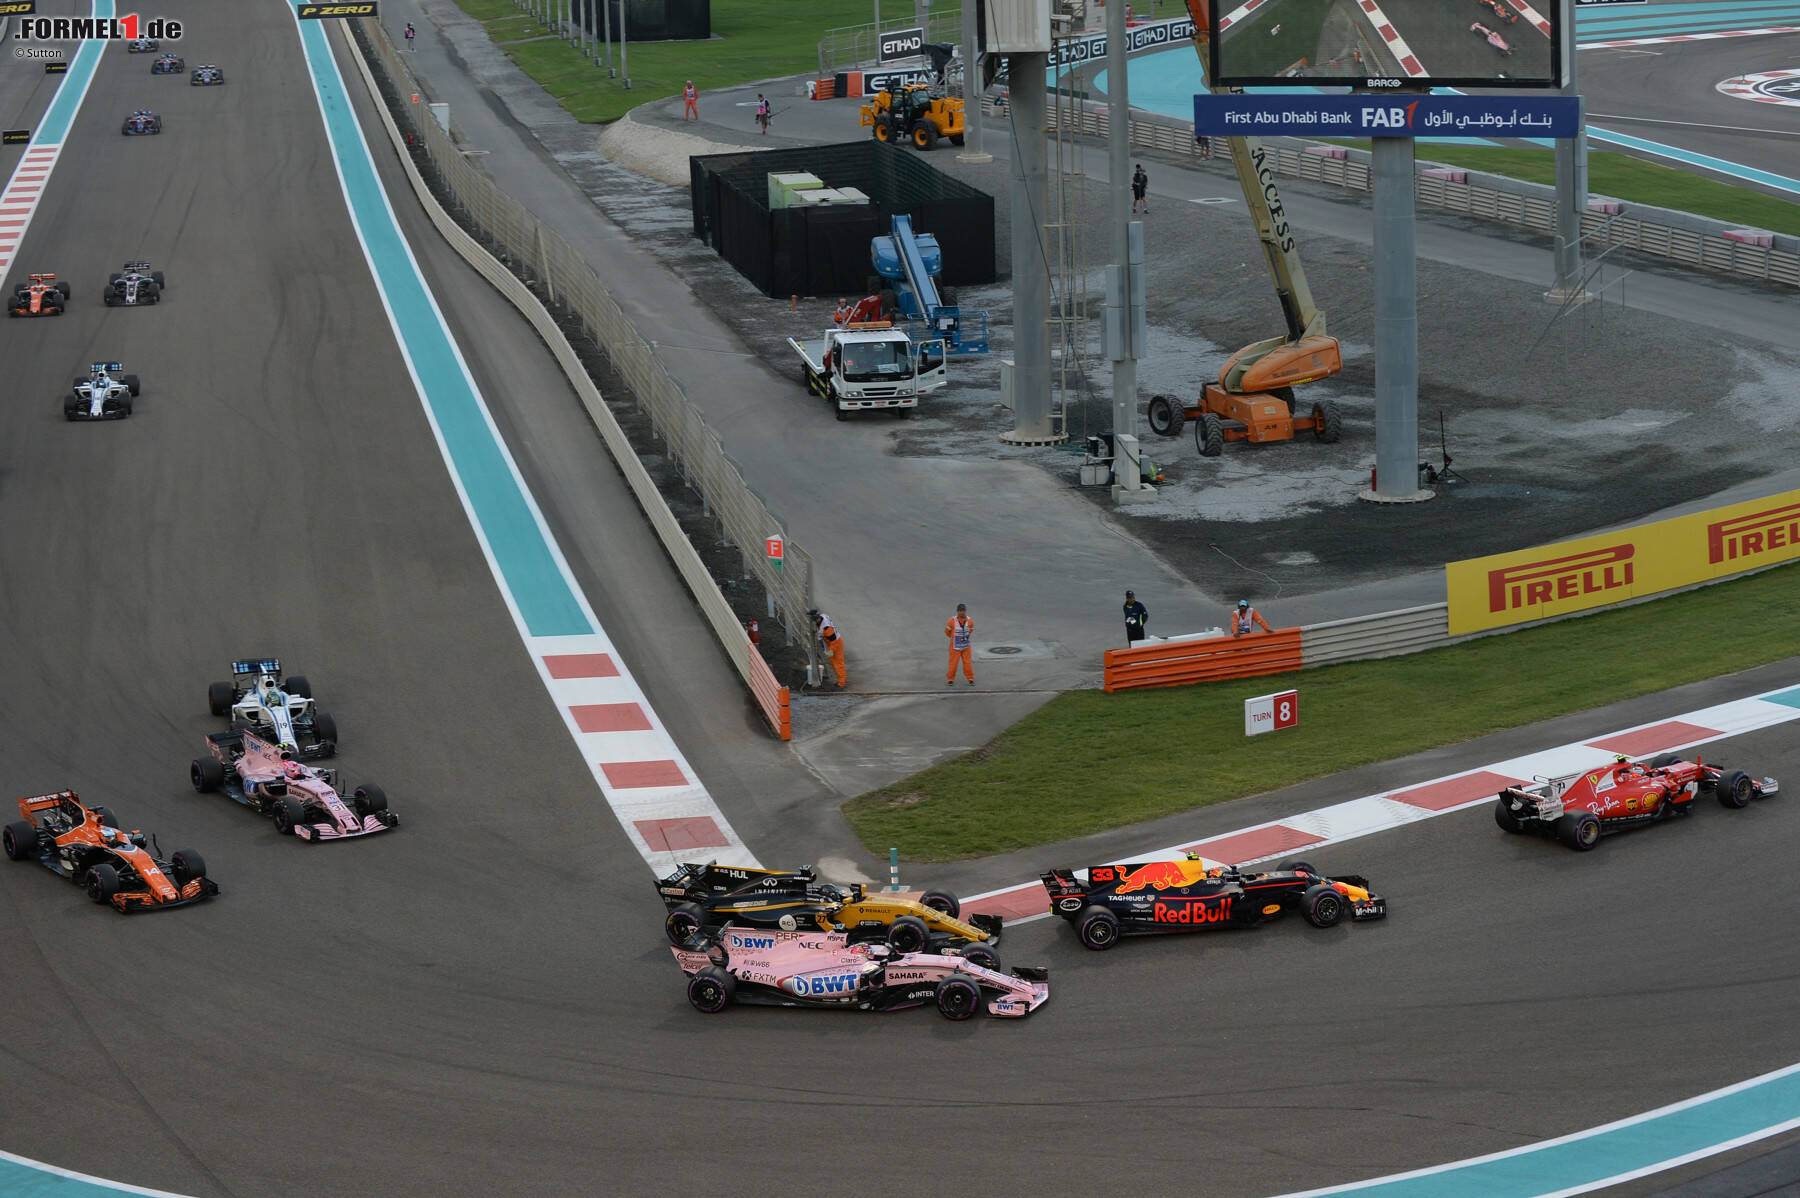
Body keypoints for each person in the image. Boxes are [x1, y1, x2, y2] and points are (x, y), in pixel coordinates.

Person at [810, 609, 847, 688]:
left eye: (814, 619)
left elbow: (834, 641)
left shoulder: (827, 629)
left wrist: (831, 651)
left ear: (817, 618)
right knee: (834, 662)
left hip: (835, 644)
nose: (814, 621)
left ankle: (841, 684)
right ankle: (840, 681)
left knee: (838, 664)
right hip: (831, 643)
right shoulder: (823, 616)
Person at [945, 603, 974, 686]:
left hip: (966, 646)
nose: (962, 612)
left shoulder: (970, 621)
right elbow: (947, 632)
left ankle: (970, 679)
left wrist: (963, 639)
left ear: (965, 611)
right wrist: (953, 638)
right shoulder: (951, 621)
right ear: (957, 611)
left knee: (968, 663)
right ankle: (950, 679)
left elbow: (970, 631)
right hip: (955, 647)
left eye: (963, 610)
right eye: (960, 611)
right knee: (953, 664)